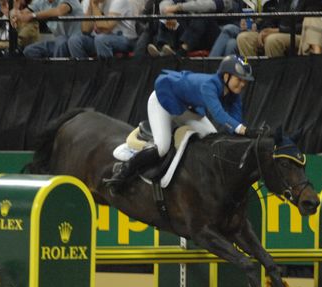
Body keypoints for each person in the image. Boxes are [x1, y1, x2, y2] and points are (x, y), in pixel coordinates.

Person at [104, 55, 260, 192]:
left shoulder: (234, 95)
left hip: (185, 107)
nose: (242, 84)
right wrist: (245, 130)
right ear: (226, 76)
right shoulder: (209, 86)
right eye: (239, 79)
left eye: (245, 81)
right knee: (162, 147)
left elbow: (236, 121)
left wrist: (245, 136)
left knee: (212, 140)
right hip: (163, 101)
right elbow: (219, 114)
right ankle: (123, 171)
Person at [67, 0, 139, 59]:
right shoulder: (88, 1)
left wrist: (95, 5)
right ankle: (84, 71)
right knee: (74, 40)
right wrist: (91, 6)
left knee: (101, 40)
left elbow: (107, 27)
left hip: (125, 39)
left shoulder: (119, 1)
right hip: (99, 38)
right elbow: (85, 30)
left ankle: (106, 72)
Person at [14, 0, 82, 58]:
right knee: (30, 50)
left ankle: (59, 69)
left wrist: (33, 15)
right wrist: (14, 13)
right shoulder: (40, 2)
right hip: (58, 42)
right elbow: (24, 13)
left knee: (61, 41)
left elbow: (59, 11)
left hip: (77, 42)